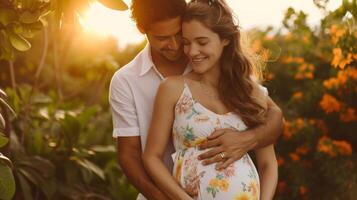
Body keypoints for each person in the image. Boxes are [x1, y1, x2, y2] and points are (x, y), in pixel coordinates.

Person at [109, 0, 283, 199]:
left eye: (179, 36)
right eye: (163, 38)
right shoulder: (128, 82)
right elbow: (130, 155)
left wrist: (245, 140)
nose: (177, 46)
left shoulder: (242, 86)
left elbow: (275, 120)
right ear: (143, 30)